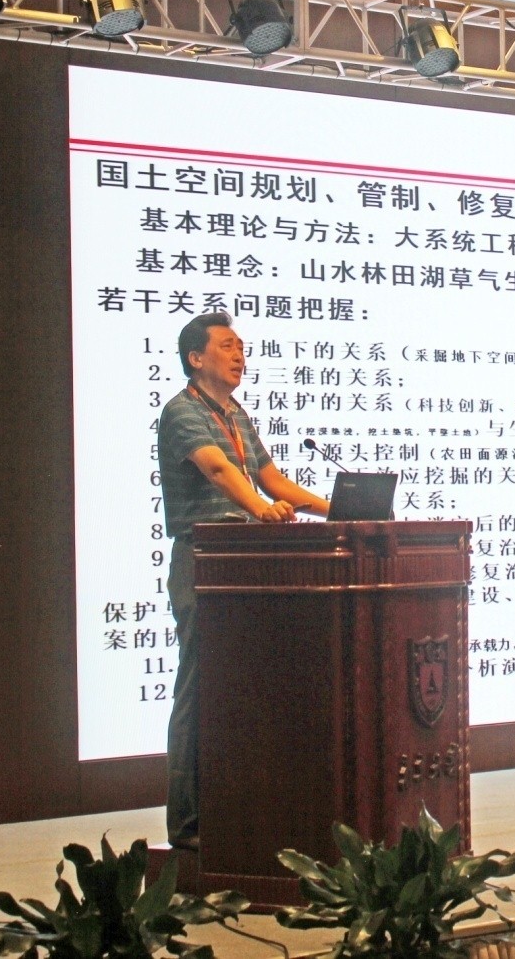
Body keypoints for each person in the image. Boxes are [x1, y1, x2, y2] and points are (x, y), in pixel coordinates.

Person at [158, 312, 329, 850]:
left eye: (242, 347)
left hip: (243, 561)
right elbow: (217, 469)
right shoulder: (183, 411)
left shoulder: (236, 413)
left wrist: (338, 509)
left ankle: (237, 809)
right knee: (200, 687)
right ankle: (188, 824)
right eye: (227, 346)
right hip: (204, 560)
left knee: (244, 690)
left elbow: (271, 478)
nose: (239, 355)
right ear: (195, 358)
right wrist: (260, 509)